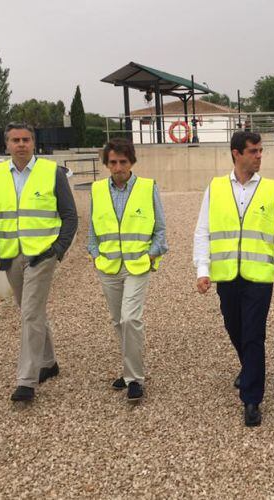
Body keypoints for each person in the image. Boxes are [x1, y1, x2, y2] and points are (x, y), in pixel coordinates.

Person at [0, 122, 78, 403]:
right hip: (10, 256)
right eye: (15, 140)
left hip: (42, 255)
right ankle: (50, 363)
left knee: (30, 313)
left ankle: (26, 381)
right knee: (31, 311)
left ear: (34, 143)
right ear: (6, 145)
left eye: (26, 139)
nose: (21, 144)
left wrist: (58, 250)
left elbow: (70, 216)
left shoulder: (52, 173)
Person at [193, 131, 274, 427]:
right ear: (236, 153)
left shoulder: (272, 189)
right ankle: (249, 368)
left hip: (259, 276)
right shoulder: (215, 187)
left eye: (261, 151)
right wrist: (203, 269)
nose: (259, 156)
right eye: (253, 151)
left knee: (253, 334)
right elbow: (203, 230)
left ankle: (252, 399)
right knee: (233, 326)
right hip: (226, 275)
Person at [86, 138, 168, 403]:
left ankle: (134, 379)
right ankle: (128, 370)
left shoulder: (147, 187)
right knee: (118, 322)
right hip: (108, 267)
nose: (118, 167)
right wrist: (96, 256)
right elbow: (92, 231)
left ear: (131, 162)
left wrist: (152, 254)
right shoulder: (97, 190)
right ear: (106, 164)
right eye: (113, 162)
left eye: (123, 161)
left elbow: (160, 230)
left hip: (137, 265)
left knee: (130, 318)